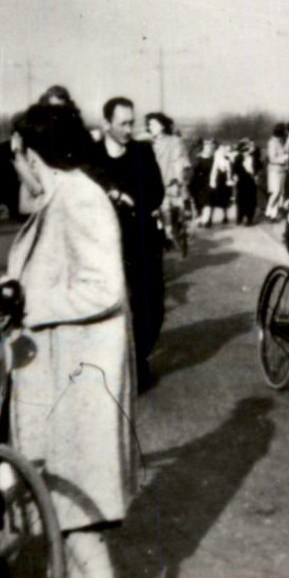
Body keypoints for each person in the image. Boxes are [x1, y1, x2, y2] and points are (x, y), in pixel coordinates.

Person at [4, 102, 138, 578]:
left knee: (74, 507)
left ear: (33, 154)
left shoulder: (80, 197)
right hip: (59, 373)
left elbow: (104, 288)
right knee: (61, 501)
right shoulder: (58, 194)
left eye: (18, 156)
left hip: (80, 377)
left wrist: (29, 304)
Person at [90, 96, 166, 393]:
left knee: (152, 304)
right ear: (106, 124)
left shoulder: (142, 152)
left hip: (142, 238)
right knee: (112, 305)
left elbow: (157, 192)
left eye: (131, 122)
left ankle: (138, 355)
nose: (128, 128)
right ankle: (123, 363)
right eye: (122, 123)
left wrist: (134, 203)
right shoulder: (92, 157)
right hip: (105, 243)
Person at [147, 112, 193, 244]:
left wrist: (179, 179)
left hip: (170, 181)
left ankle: (172, 231)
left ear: (161, 126)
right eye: (149, 125)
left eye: (153, 124)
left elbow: (179, 160)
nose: (150, 127)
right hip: (154, 183)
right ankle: (165, 233)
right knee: (158, 211)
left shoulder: (174, 141)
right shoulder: (148, 143)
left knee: (169, 209)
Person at [264, 123, 289, 220]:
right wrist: (284, 158)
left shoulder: (281, 141)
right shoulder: (272, 142)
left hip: (282, 170)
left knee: (279, 193)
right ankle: (268, 209)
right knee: (276, 191)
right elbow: (272, 158)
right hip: (274, 170)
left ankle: (273, 215)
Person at [207, 140, 236, 225]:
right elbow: (214, 170)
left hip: (224, 181)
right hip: (218, 180)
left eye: (225, 150)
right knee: (213, 199)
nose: (224, 151)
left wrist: (229, 179)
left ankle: (225, 216)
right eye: (223, 149)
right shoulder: (217, 158)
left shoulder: (228, 158)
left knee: (225, 199)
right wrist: (212, 181)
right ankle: (210, 218)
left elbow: (229, 170)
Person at [235, 140, 259, 225]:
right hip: (242, 182)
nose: (246, 152)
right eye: (244, 150)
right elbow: (235, 170)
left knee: (251, 200)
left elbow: (257, 168)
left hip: (251, 181)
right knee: (241, 200)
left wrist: (255, 174)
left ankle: (249, 218)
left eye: (247, 150)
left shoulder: (253, 158)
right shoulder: (238, 159)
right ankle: (240, 217)